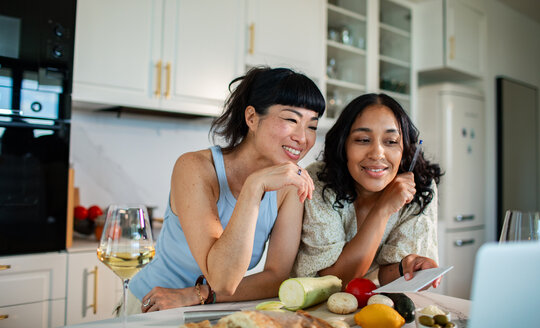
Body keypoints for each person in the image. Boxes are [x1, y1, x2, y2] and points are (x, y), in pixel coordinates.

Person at [127, 66, 326, 314]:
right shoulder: (195, 168)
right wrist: (254, 187)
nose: (303, 137)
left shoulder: (290, 185)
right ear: (252, 117)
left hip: (212, 309)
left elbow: (276, 277)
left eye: (312, 126)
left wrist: (196, 295)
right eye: (291, 120)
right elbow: (221, 278)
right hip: (154, 307)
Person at [293, 93, 442, 288]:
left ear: (404, 148)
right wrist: (383, 208)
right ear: (343, 144)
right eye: (363, 139)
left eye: (390, 141)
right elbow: (334, 281)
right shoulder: (318, 180)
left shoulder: (420, 187)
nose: (377, 153)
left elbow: (390, 277)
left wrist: (407, 267)